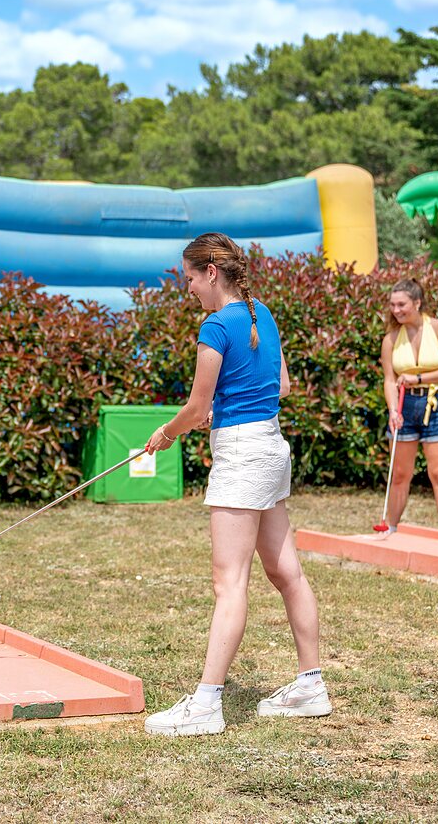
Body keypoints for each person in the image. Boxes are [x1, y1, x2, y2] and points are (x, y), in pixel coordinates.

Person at [140, 232, 330, 737]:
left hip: (243, 456)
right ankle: (311, 686)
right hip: (270, 446)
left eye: (189, 279)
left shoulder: (215, 326)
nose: (188, 289)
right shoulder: (260, 313)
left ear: (210, 273)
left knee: (229, 583)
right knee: (286, 572)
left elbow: (196, 408)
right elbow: (280, 386)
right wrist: (223, 407)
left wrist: (167, 432)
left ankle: (206, 704)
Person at [378, 279, 438, 535]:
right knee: (399, 474)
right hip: (404, 405)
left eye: (401, 304)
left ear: (417, 303)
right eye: (392, 305)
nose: (396, 310)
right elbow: (389, 380)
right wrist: (393, 410)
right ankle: (390, 528)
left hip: (436, 403)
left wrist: (418, 378)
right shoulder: (391, 339)